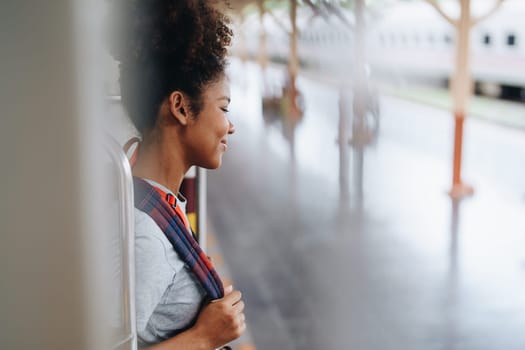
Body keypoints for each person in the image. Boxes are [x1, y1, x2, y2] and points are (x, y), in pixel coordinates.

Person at [107, 1, 245, 348]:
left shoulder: (157, 202)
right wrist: (203, 336)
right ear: (181, 107)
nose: (230, 125)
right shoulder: (145, 235)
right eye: (224, 107)